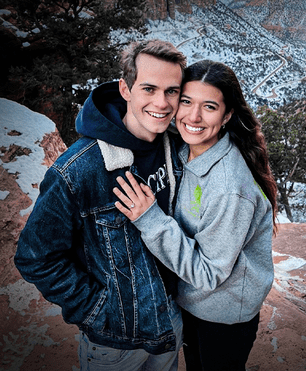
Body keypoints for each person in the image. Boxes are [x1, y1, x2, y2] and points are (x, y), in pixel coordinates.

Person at [15, 39, 187, 370]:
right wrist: (101, 310)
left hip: (170, 321)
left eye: (172, 91)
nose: (162, 103)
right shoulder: (79, 170)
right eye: (149, 89)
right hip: (116, 342)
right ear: (125, 89)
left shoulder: (176, 146)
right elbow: (35, 257)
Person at [112, 60, 278, 371]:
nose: (193, 116)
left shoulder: (230, 188)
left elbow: (209, 274)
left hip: (222, 313)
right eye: (186, 101)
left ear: (227, 115)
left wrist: (149, 220)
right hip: (190, 300)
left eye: (209, 107)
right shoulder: (181, 149)